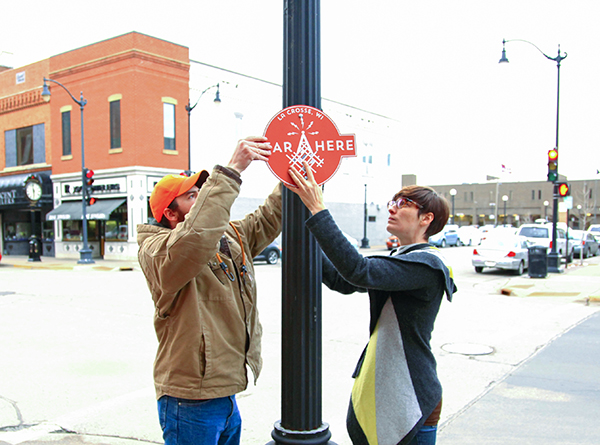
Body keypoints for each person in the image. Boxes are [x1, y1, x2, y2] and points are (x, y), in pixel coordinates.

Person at [287, 162, 457, 445]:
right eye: (393, 201)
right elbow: (345, 280)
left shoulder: (427, 264)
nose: (392, 207)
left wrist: (318, 210)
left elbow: (360, 270)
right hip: (392, 389)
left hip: (412, 398)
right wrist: (303, 235)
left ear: (426, 218)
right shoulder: (402, 257)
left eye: (404, 203)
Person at [137, 136, 282, 445]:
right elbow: (194, 238)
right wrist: (232, 170)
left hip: (224, 394)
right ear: (171, 214)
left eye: (202, 191)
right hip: (188, 401)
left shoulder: (228, 235)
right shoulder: (157, 250)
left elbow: (269, 217)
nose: (201, 196)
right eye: (192, 195)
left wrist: (295, 175)